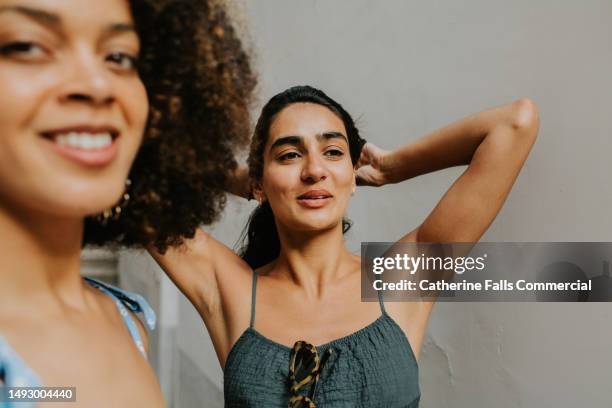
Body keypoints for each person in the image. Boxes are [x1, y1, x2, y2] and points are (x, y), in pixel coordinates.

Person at [151, 85, 539, 407]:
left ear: (352, 175)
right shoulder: (231, 290)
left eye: (333, 152)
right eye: (289, 155)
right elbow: (136, 169)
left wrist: (393, 168)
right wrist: (242, 181)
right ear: (260, 183)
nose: (314, 170)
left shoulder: (400, 282)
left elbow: (515, 123)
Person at [0, 0, 255, 406]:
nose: (99, 85)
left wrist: (392, 168)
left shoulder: (127, 320)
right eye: (27, 46)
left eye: (120, 56)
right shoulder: (240, 290)